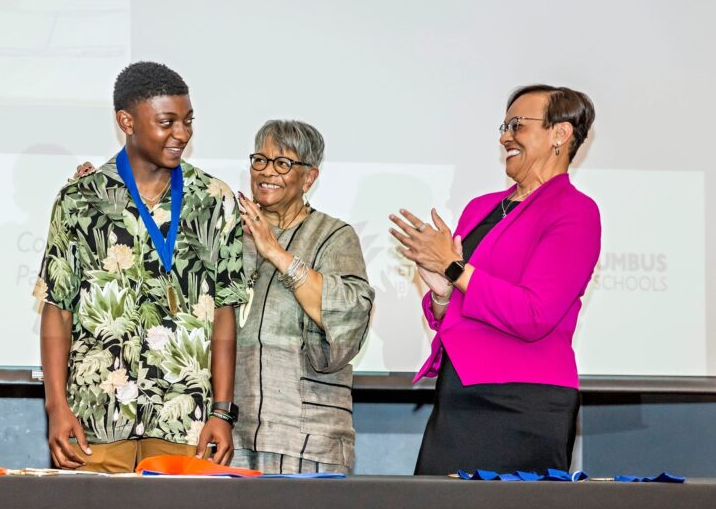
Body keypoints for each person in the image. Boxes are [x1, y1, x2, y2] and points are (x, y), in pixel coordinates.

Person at [35, 61, 248, 473]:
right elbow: (57, 309)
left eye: (188, 121)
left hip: (185, 422)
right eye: (167, 122)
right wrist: (57, 407)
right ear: (126, 122)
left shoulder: (214, 200)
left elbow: (225, 311)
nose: (182, 134)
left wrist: (221, 413)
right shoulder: (80, 199)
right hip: (94, 420)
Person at [389, 84, 600, 475]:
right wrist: (441, 294)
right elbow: (461, 305)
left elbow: (534, 315)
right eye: (504, 126)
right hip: (460, 392)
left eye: (517, 125)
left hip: (526, 402)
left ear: (561, 133)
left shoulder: (576, 212)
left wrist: (455, 268)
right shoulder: (480, 208)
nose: (505, 137)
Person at [232, 121, 374, 474]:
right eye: (260, 160)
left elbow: (351, 314)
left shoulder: (334, 236)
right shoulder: (229, 233)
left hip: (306, 435)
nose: (267, 172)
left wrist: (277, 253)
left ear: (309, 178)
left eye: (283, 164)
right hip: (230, 433)